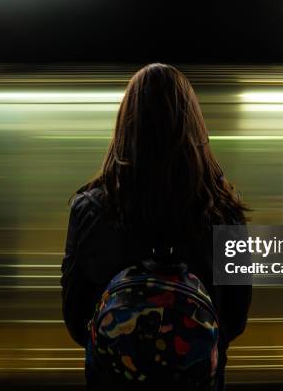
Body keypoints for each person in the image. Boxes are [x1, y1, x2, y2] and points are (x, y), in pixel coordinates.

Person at [61, 63, 252, 390]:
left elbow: (76, 322)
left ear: (125, 126)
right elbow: (234, 321)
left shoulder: (90, 210)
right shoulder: (225, 213)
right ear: (194, 127)